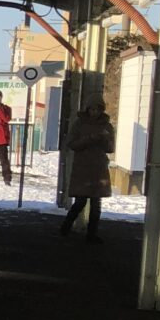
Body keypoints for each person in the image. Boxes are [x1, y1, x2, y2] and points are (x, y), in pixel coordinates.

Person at [60, 101, 115, 242]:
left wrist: (103, 139)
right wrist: (89, 139)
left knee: (96, 204)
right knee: (80, 201)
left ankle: (92, 234)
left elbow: (110, 148)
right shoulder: (79, 124)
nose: (94, 112)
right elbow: (72, 144)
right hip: (82, 167)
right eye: (91, 109)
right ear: (87, 109)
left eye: (97, 109)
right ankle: (65, 228)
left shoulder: (107, 126)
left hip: (98, 167)